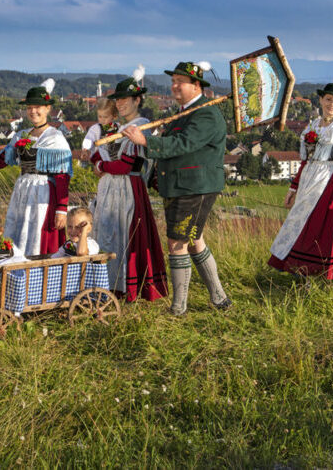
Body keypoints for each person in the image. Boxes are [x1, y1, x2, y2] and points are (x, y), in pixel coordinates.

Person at [124, 61, 231, 314]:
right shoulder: (185, 112)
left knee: (177, 242)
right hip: (183, 186)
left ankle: (178, 308)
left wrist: (147, 140)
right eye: (173, 82)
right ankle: (219, 299)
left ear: (196, 86)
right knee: (194, 240)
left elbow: (182, 144)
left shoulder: (206, 114)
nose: (174, 86)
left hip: (195, 186)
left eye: (179, 82)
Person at [268, 76, 333, 280]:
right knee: (302, 221)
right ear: (321, 100)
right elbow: (305, 160)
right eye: (329, 99)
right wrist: (293, 188)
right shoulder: (311, 126)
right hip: (309, 180)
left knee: (326, 226)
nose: (332, 105)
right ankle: (301, 266)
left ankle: (330, 271)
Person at [91, 66, 167, 302]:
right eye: (118, 100)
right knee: (106, 234)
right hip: (109, 189)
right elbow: (98, 152)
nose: (121, 104)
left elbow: (126, 164)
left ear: (137, 99)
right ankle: (109, 286)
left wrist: (101, 167)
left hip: (128, 188)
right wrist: (97, 160)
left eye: (126, 99)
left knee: (125, 234)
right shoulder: (117, 128)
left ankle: (128, 287)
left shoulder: (141, 126)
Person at [0, 79, 72, 256]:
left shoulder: (56, 138)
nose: (33, 111)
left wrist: (61, 209)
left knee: (39, 238)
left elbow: (62, 176)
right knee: (19, 234)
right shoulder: (20, 135)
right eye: (29, 107)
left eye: (38, 107)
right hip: (23, 191)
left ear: (48, 108)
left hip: (44, 194)